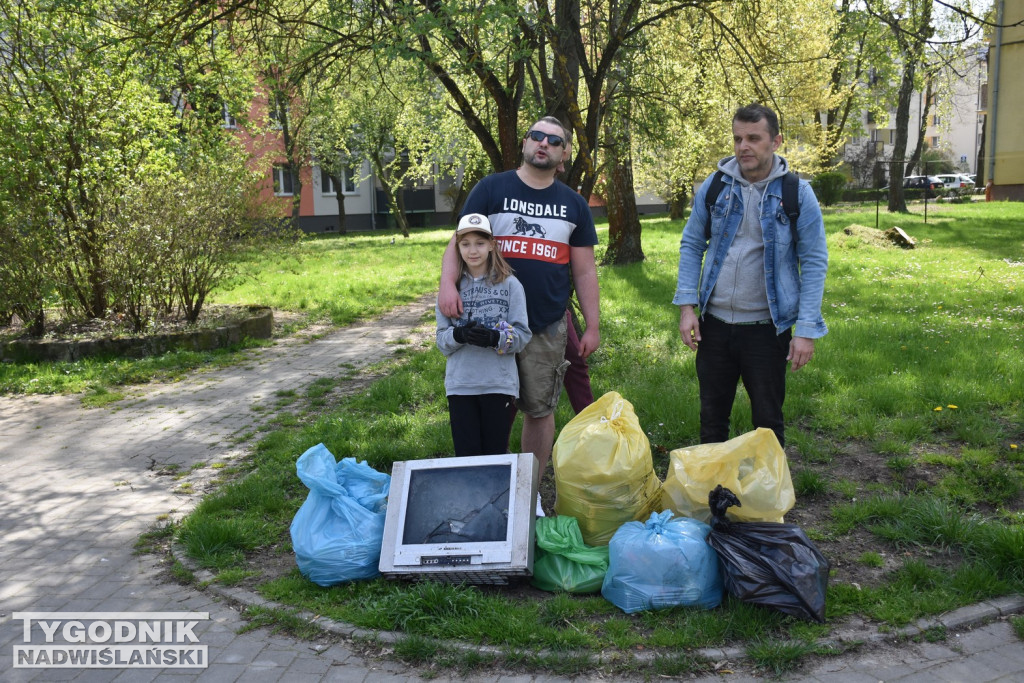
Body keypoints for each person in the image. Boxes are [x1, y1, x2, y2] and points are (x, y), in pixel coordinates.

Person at [438, 115, 600, 507]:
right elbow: (457, 242)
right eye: (537, 136)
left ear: (562, 156)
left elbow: (584, 269)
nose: (543, 143)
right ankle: (484, 492)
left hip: (545, 325)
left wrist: (592, 325)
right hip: (487, 324)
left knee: (539, 409)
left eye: (554, 140)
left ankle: (526, 496)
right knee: (490, 405)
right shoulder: (491, 189)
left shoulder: (573, 204)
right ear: (525, 144)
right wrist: (446, 283)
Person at [674, 103, 828, 448]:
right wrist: (687, 308)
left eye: (753, 138)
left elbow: (815, 261)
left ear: (776, 141)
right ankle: (713, 494)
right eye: (738, 138)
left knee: (767, 424)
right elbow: (691, 244)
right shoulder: (715, 187)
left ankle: (768, 497)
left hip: (767, 330)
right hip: (714, 328)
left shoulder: (796, 193)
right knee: (712, 420)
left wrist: (805, 330)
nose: (744, 146)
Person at [436, 213, 532, 457]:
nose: (473, 251)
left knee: (495, 454)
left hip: (498, 384)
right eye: (465, 244)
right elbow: (441, 341)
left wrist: (494, 339)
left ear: (492, 245)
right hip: (461, 386)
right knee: (466, 456)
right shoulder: (450, 289)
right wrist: (459, 335)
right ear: (457, 247)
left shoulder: (511, 285)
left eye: (480, 243)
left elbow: (522, 335)